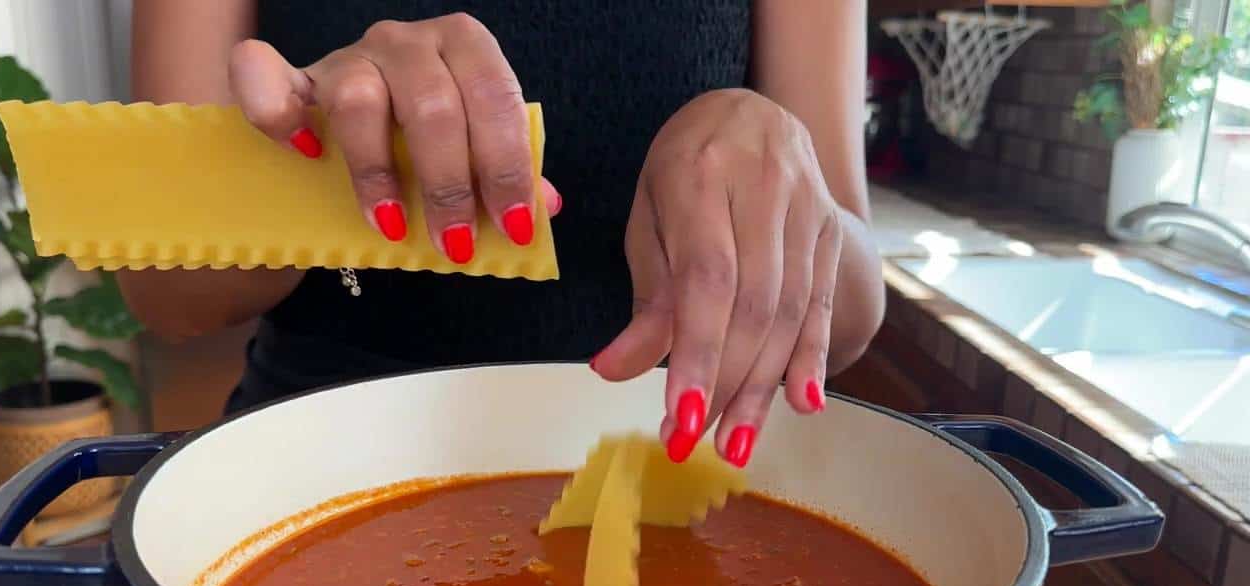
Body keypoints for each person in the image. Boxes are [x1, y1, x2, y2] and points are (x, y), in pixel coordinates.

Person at [122, 1, 885, 469]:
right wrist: (315, 157)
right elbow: (168, 297)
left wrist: (778, 151)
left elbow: (850, 312)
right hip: (318, 462)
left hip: (675, 464)